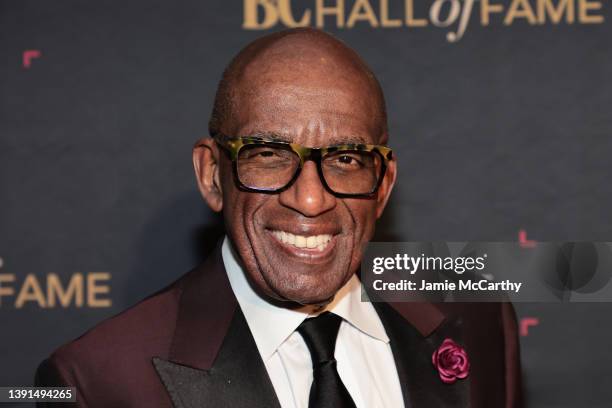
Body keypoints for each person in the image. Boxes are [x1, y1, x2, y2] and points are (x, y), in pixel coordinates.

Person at [36, 28, 522, 408]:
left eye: (347, 159)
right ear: (212, 176)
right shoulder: (93, 382)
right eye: (267, 154)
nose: (310, 201)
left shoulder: (477, 318)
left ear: (384, 184)